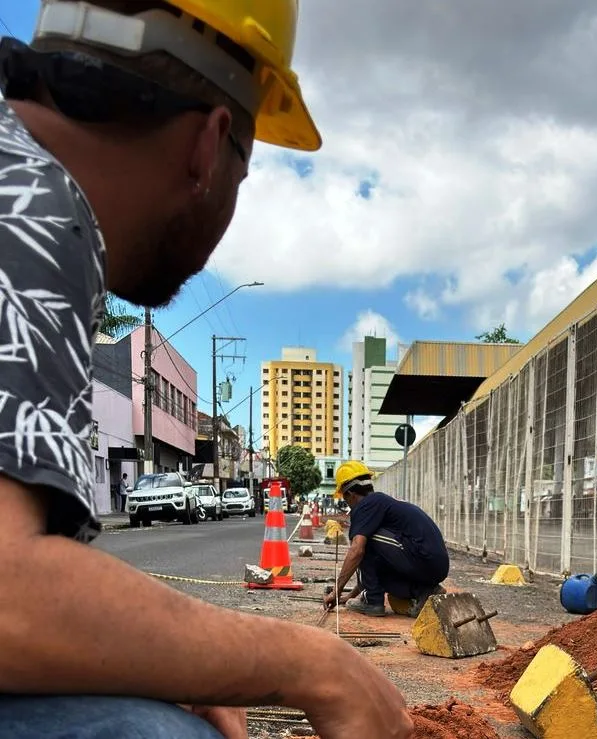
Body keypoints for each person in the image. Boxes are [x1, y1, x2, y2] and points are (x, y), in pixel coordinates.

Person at [0, 2, 413, 738]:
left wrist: (174, 661)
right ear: (210, 142)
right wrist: (311, 662)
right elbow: (9, 593)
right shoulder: (32, 208)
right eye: (244, 174)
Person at [323, 462, 449, 618]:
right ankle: (425, 592)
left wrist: (337, 591)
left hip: (423, 558)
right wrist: (350, 596)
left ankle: (372, 602)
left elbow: (357, 552)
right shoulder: (379, 503)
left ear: (350, 494)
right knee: (374, 560)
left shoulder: (365, 506)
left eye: (344, 497)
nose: (346, 502)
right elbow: (369, 570)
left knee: (362, 542)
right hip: (431, 564)